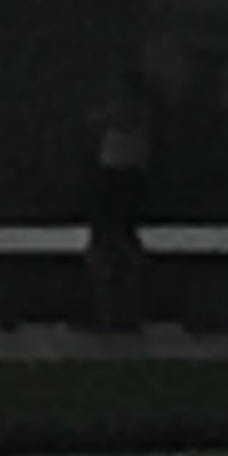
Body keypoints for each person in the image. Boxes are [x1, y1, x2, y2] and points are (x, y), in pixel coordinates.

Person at [87, 79, 154, 335]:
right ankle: (109, 312)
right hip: (113, 177)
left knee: (117, 245)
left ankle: (122, 312)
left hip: (123, 178)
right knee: (107, 245)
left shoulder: (132, 114)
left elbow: (114, 119)